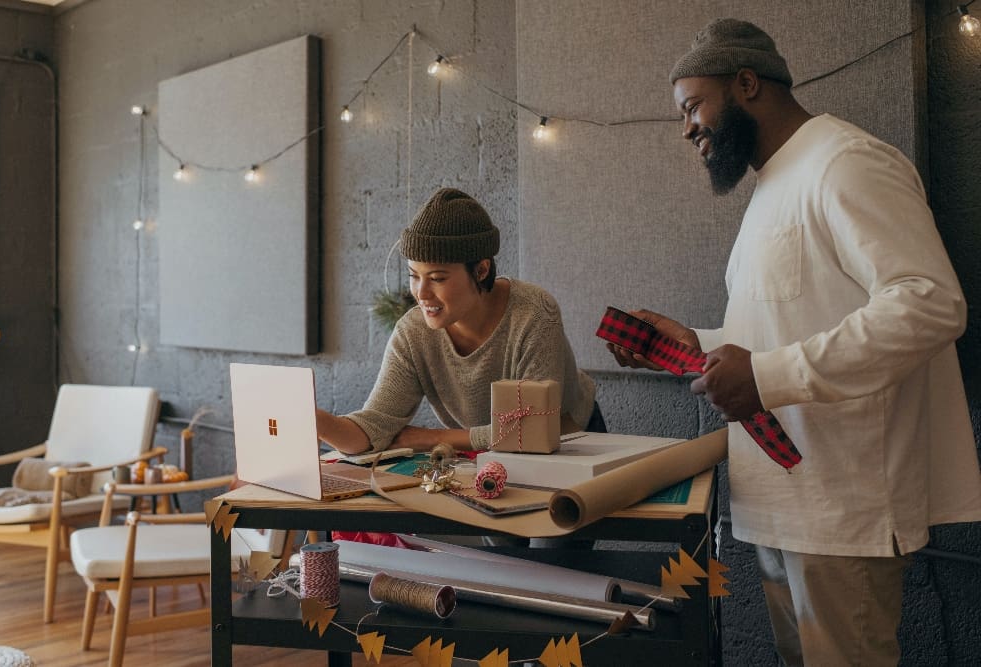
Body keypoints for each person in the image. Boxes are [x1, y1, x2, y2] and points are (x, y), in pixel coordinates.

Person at [607, 18, 981, 666]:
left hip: (843, 508)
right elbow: (777, 334)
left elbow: (930, 302)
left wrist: (769, 376)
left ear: (747, 84)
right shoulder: (771, 188)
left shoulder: (846, 161)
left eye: (694, 106)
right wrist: (697, 341)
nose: (687, 127)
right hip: (781, 504)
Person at [317, 186, 604, 456]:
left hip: (572, 444)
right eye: (413, 276)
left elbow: (532, 431)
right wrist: (314, 420)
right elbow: (373, 429)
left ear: (481, 270)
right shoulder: (412, 332)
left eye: (437, 278)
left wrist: (432, 437)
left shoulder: (534, 313)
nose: (421, 293)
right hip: (484, 449)